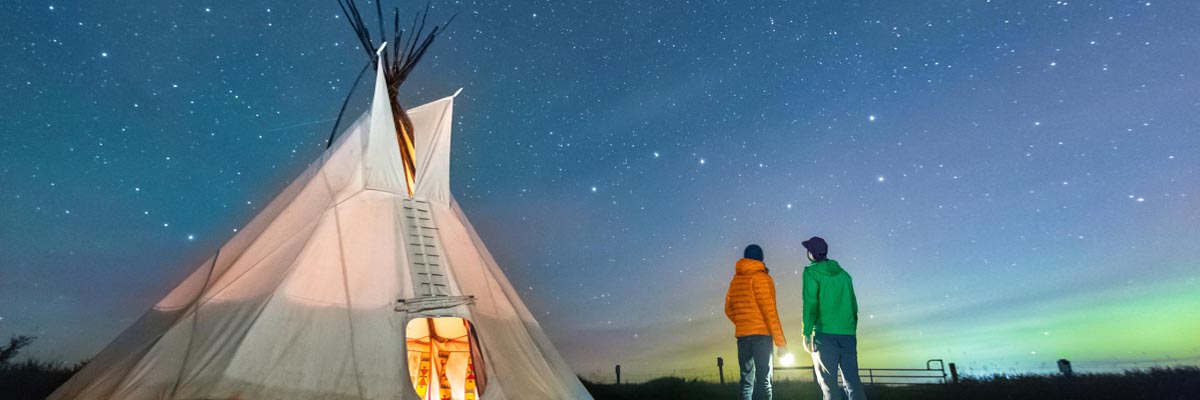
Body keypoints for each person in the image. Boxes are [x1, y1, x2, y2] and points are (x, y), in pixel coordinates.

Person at [801, 236, 865, 400]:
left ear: (811, 253)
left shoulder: (811, 272)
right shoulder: (844, 275)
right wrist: (851, 328)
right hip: (848, 334)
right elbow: (853, 305)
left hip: (825, 333)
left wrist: (806, 333)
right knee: (853, 383)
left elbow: (810, 305)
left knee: (829, 384)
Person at [724, 244, 788, 400]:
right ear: (761, 259)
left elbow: (728, 308)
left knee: (746, 382)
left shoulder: (736, 279)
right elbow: (770, 312)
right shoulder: (761, 278)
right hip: (762, 336)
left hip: (743, 337)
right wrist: (781, 342)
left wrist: (743, 323)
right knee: (764, 382)